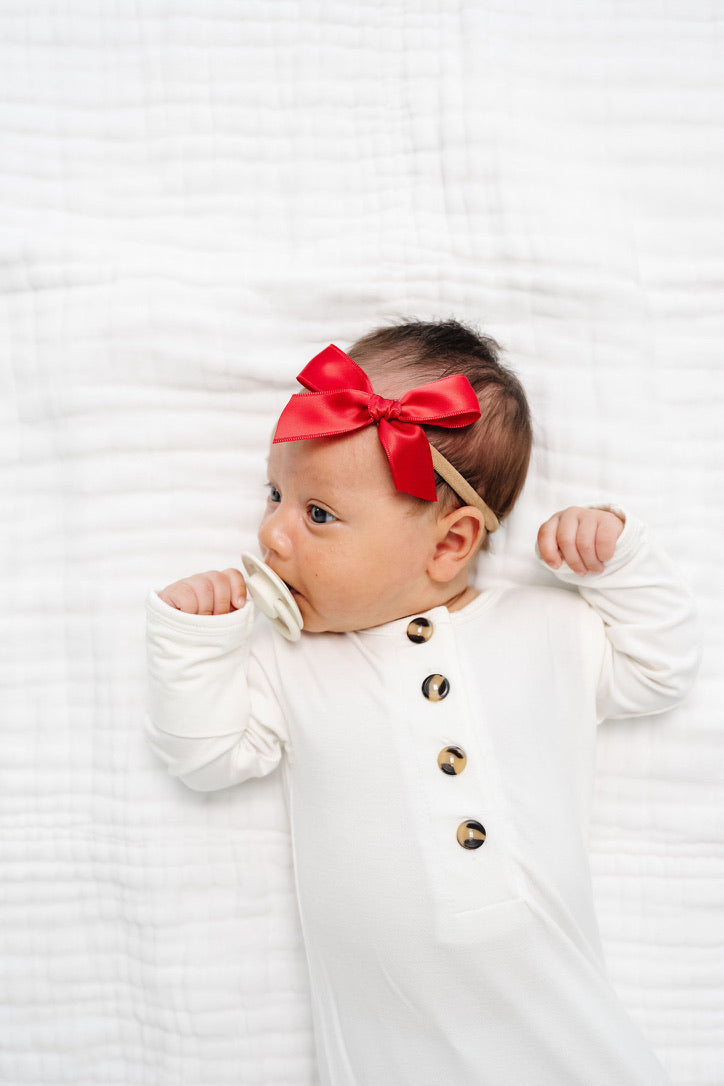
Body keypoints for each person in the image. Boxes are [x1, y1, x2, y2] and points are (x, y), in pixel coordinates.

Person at [146, 320, 699, 1085]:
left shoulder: (544, 630)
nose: (271, 533)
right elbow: (204, 759)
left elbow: (664, 666)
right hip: (386, 1052)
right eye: (275, 494)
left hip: (565, 1030)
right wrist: (193, 643)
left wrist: (614, 557)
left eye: (318, 515)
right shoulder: (294, 666)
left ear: (450, 543)